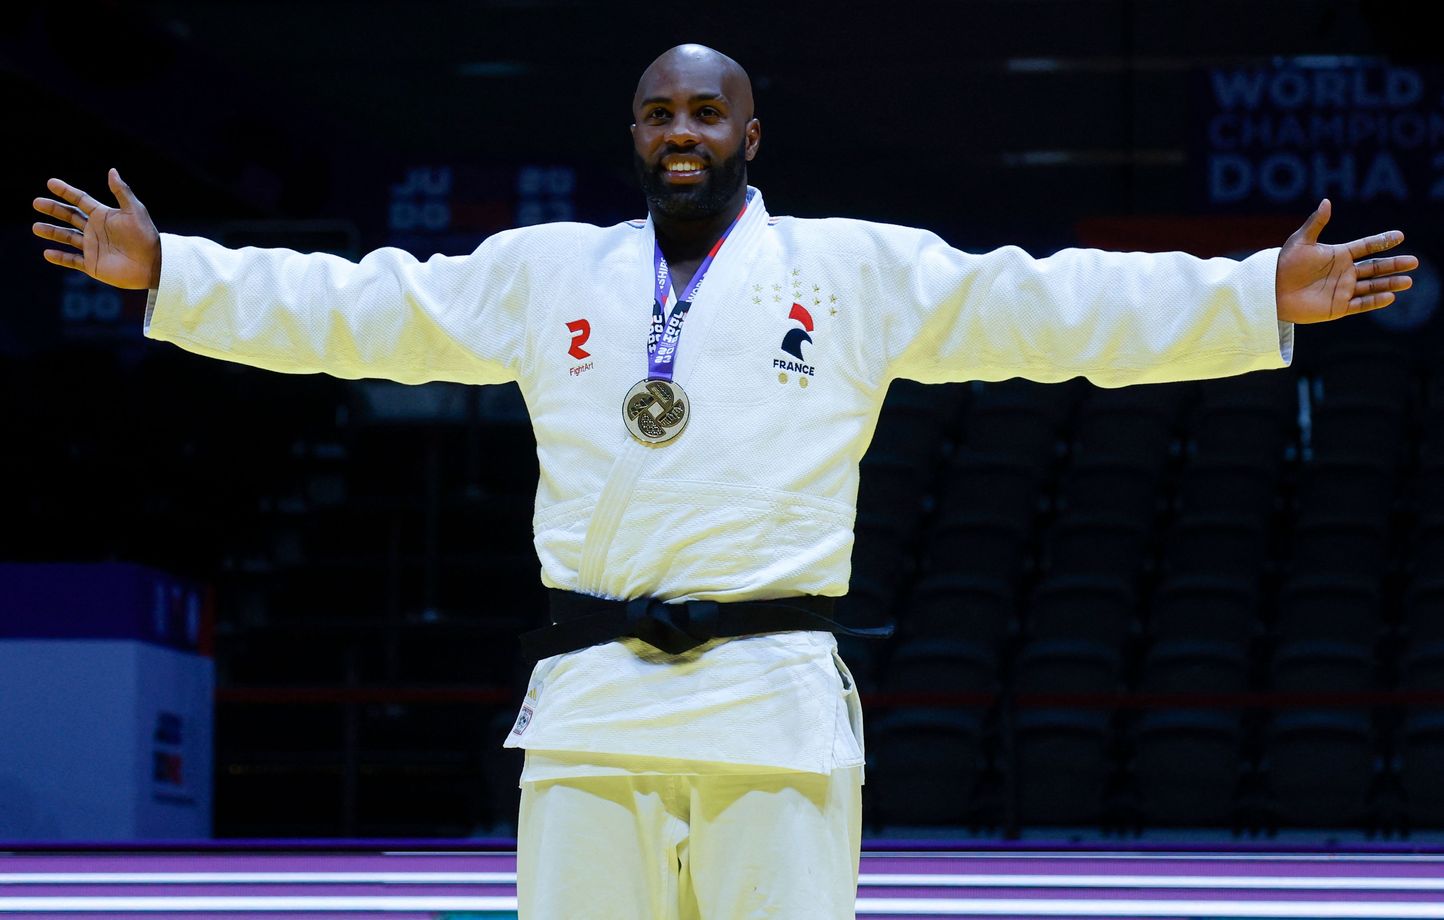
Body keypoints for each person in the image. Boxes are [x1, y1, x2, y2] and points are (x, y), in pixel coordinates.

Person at [33, 42, 1415, 920]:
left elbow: (1045, 310)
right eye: (655, 113)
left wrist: (1247, 293)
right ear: (633, 135)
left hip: (771, 713)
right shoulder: (548, 272)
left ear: (754, 133)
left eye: (707, 109)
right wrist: (176, 272)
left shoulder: (853, 270)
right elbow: (359, 306)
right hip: (590, 714)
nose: (679, 129)